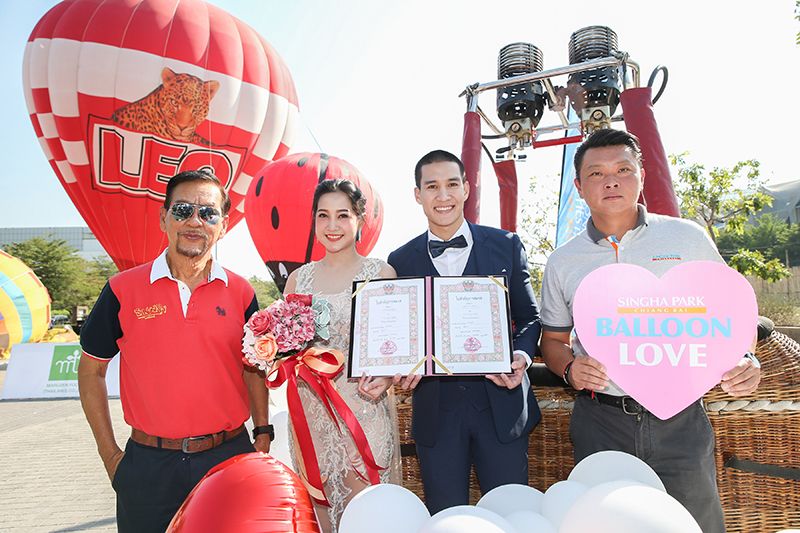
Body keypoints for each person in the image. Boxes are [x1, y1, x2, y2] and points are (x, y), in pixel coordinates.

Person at [539, 128, 761, 533]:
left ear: (641, 175)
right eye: (596, 173)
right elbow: (552, 340)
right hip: (601, 421)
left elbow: (733, 309)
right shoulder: (563, 261)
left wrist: (746, 357)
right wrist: (569, 368)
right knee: (605, 525)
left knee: (696, 523)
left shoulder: (687, 237)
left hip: (681, 419)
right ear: (579, 187)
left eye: (623, 169)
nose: (611, 181)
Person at [78, 169, 271, 533]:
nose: (195, 221)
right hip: (148, 466)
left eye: (208, 213)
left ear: (224, 226)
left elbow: (254, 366)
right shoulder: (121, 289)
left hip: (228, 457)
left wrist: (262, 433)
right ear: (163, 218)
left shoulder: (242, 292)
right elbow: (91, 371)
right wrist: (110, 456)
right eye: (182, 210)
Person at [387, 150, 541, 513]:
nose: (443, 196)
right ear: (417, 195)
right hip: (436, 413)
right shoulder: (400, 260)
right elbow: (401, 331)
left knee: (511, 513)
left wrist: (520, 356)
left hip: (502, 407)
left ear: (467, 189)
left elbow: (530, 317)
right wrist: (400, 365)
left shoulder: (506, 244)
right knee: (446, 516)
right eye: (432, 186)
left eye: (452, 184)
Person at [283, 178, 401, 533]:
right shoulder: (297, 280)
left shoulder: (380, 273)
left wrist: (388, 376)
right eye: (323, 215)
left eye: (342, 215)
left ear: (359, 220)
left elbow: (395, 346)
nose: (332, 225)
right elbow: (287, 350)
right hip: (312, 416)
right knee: (320, 514)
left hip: (363, 410)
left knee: (366, 516)